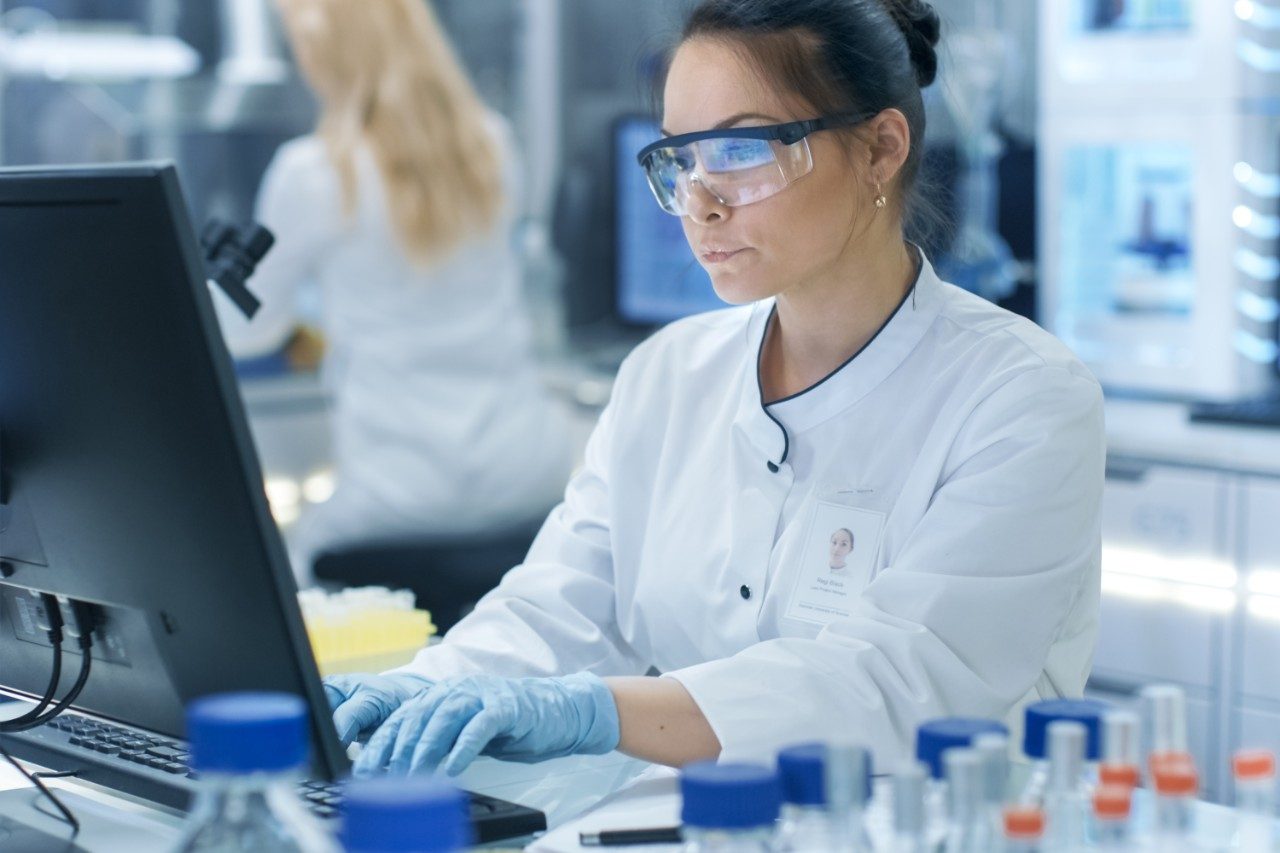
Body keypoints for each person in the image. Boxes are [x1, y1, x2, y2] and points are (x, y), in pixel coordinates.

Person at [326, 0, 1106, 777]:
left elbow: (903, 680)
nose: (701, 201)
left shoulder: (1022, 399)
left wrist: (596, 710)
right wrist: (412, 689)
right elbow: (558, 608)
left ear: (880, 149)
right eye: (681, 158)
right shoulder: (669, 374)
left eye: (741, 149)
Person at [214, 0, 572, 580]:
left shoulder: (313, 171)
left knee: (281, 569)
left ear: (330, 51)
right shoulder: (494, 144)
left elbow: (246, 333)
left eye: (300, 45)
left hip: (396, 499)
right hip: (524, 476)